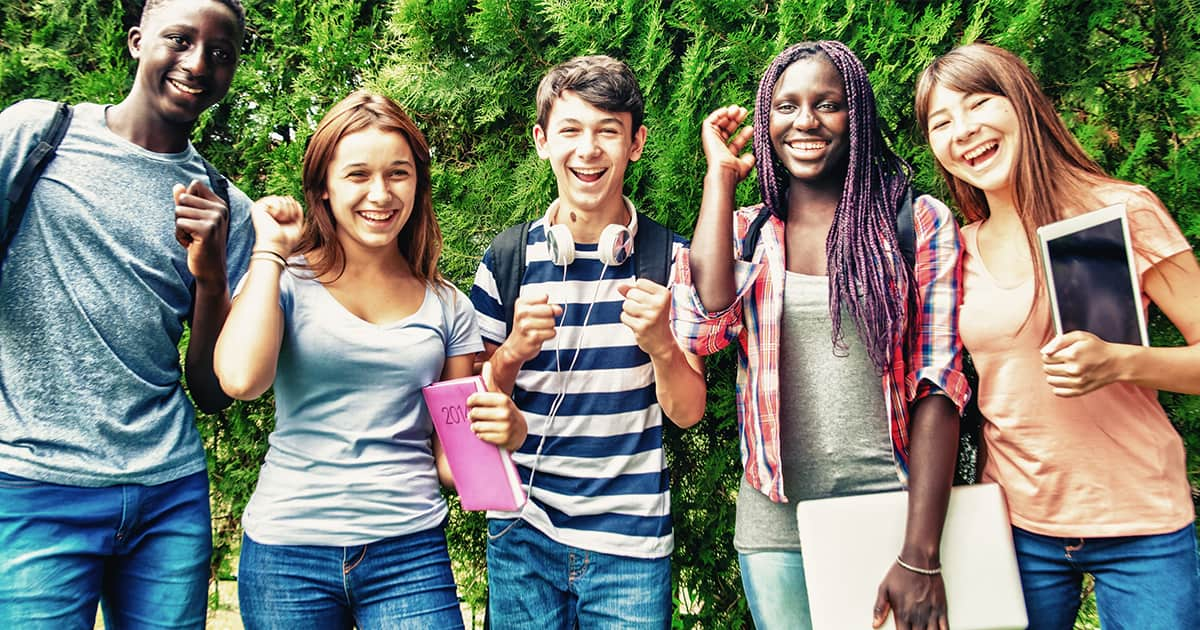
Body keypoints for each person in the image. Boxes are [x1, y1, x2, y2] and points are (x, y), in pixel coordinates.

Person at [671, 40, 969, 630]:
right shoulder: (745, 233)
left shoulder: (919, 222)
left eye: (827, 104)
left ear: (854, 115)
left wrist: (921, 553)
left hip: (894, 513)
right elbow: (701, 324)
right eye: (786, 106)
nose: (805, 120)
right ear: (765, 121)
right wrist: (721, 176)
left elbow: (939, 383)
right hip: (776, 524)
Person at [213, 90, 525, 629]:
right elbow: (241, 379)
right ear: (323, 188)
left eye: (398, 174)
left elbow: (456, 464)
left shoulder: (448, 306)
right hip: (289, 551)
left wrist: (508, 432)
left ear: (417, 184)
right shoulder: (283, 280)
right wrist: (270, 250)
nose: (380, 194)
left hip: (408, 554)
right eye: (357, 174)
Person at [916, 42, 1200, 629]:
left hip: (1141, 522)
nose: (963, 130)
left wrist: (1123, 362)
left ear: (1022, 104)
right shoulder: (956, 248)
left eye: (978, 104)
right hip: (1016, 525)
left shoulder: (1116, 213)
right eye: (942, 122)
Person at [0, 0, 253, 626]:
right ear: (138, 40)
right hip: (34, 485)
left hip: (169, 495)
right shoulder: (38, 134)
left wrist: (211, 274)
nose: (198, 63)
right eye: (180, 39)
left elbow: (213, 391)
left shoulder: (227, 208)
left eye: (221, 53)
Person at [470, 55, 706, 628]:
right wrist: (512, 354)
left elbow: (688, 413)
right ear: (542, 141)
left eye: (608, 131)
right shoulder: (506, 260)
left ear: (637, 143)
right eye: (570, 130)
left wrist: (661, 345)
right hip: (522, 537)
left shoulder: (671, 261)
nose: (588, 149)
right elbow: (471, 409)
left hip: (631, 548)